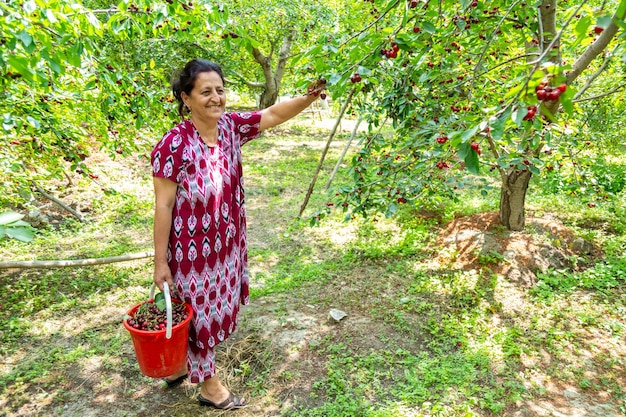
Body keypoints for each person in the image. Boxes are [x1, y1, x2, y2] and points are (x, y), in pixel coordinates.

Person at [150, 58, 325, 410]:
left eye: (220, 90)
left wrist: (309, 97)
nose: (216, 98)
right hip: (191, 254)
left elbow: (273, 115)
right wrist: (159, 261)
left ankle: (177, 366)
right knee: (198, 313)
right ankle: (209, 387)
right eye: (205, 92)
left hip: (226, 245)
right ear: (186, 98)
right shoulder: (173, 144)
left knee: (210, 309)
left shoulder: (230, 127)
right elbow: (163, 206)